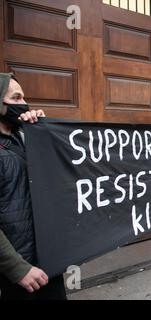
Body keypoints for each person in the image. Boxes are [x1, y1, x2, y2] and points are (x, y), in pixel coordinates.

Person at [0, 73, 66, 300]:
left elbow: (56, 177)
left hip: (45, 259)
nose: (24, 105)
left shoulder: (23, 137)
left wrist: (42, 133)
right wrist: (16, 268)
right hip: (16, 272)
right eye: (16, 98)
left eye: (24, 99)